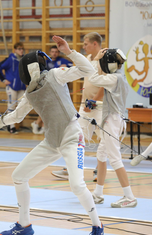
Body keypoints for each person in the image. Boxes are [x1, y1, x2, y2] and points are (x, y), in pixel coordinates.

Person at [0, 36, 103, 235]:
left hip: (72, 138)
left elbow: (87, 69)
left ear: (30, 69)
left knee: (77, 185)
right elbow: (16, 116)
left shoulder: (56, 75)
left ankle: (97, 226)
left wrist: (69, 51)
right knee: (19, 176)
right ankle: (24, 225)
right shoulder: (29, 94)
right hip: (52, 142)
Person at [88, 48, 137, 208]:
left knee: (115, 158)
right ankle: (98, 193)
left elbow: (94, 79)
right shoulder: (119, 77)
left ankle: (129, 197)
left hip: (111, 121)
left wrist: (96, 59)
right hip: (114, 119)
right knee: (101, 154)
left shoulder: (113, 79)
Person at [52, 32, 104, 182]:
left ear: (95, 44)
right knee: (77, 137)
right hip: (85, 106)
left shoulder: (105, 58)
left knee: (102, 140)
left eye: (86, 44)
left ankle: (98, 171)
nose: (83, 46)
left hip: (100, 107)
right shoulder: (86, 59)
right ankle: (72, 168)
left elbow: (107, 84)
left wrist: (93, 101)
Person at [31, 46, 73, 135]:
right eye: (52, 51)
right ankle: (37, 123)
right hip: (47, 88)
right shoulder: (45, 62)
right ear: (50, 52)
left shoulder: (62, 61)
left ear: (58, 53)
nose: (54, 53)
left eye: (56, 52)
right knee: (47, 108)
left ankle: (41, 125)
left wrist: (65, 67)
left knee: (50, 109)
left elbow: (72, 66)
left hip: (58, 89)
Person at [0, 42, 26, 134]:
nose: (21, 50)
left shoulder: (24, 60)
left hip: (21, 87)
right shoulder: (10, 59)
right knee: (11, 106)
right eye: (19, 49)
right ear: (15, 50)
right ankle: (11, 126)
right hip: (11, 87)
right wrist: (3, 79)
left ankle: (14, 124)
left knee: (21, 105)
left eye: (22, 49)